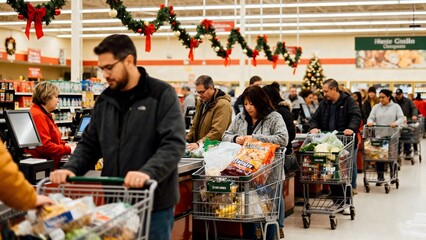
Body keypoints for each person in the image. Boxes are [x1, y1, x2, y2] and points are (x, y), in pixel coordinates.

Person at [49, 34, 186, 240]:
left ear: (129, 61)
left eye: (109, 67)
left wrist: (147, 172)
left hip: (154, 203)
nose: (105, 74)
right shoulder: (105, 100)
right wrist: (70, 168)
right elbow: (89, 144)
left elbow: (173, 144)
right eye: (102, 68)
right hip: (115, 202)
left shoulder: (161, 94)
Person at [222, 85, 288, 240]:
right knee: (247, 211)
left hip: (269, 174)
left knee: (267, 213)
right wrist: (235, 138)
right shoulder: (240, 117)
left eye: (252, 104)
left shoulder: (274, 117)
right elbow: (226, 135)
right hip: (246, 173)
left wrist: (256, 138)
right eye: (245, 104)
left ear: (261, 102)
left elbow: (283, 139)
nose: (248, 108)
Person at [309, 78, 361, 215]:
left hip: (345, 143)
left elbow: (356, 116)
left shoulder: (348, 101)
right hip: (329, 145)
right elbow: (315, 118)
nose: (324, 94)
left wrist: (351, 128)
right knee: (330, 173)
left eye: (326, 91)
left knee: (344, 174)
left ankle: (347, 201)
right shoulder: (324, 104)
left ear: (334, 89)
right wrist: (314, 127)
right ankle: (338, 201)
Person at [262, 82, 295, 239]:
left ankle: (279, 226)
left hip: (281, 157)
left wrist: (276, 144)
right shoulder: (267, 113)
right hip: (268, 157)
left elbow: (289, 135)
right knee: (272, 193)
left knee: (276, 193)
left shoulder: (281, 112)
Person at [26, 82, 73, 169]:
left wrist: (66, 145)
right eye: (56, 97)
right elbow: (45, 146)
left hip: (48, 165)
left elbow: (54, 139)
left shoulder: (45, 114)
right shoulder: (38, 116)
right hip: (42, 168)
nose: (58, 101)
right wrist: (69, 149)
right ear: (46, 97)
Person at [367, 89, 404, 185]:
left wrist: (395, 123)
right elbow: (371, 117)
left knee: (392, 157)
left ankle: (393, 176)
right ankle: (380, 177)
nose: (381, 99)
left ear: (389, 97)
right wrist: (370, 122)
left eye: (383, 97)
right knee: (379, 157)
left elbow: (401, 117)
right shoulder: (376, 107)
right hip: (380, 135)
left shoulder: (396, 107)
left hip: (392, 136)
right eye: (380, 97)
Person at [186, 75, 232, 151]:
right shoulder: (201, 103)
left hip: (215, 150)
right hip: (201, 149)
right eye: (198, 92)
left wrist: (199, 143)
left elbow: (218, 131)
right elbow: (194, 126)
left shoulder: (222, 104)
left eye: (202, 92)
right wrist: (186, 140)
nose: (200, 95)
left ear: (211, 88)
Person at [394, 88, 419, 156]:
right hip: (397, 122)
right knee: (397, 137)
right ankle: (397, 151)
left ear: (402, 94)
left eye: (399, 94)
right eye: (397, 94)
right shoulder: (393, 101)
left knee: (406, 135)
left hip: (407, 121)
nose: (398, 96)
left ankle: (407, 150)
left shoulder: (408, 101)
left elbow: (414, 108)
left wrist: (414, 115)